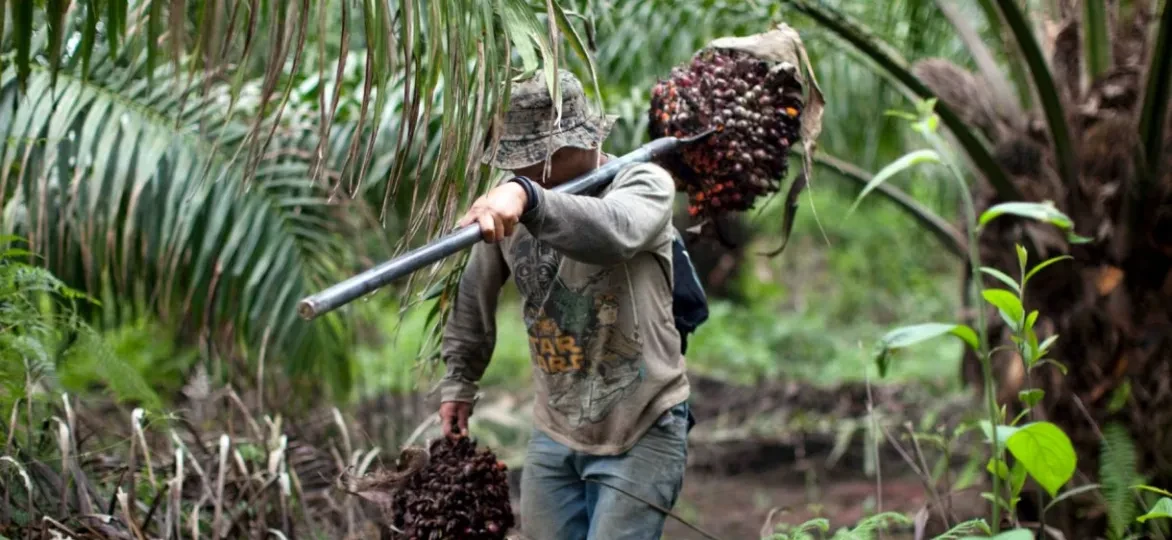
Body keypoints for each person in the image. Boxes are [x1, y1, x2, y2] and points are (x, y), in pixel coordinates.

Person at [434, 69, 706, 540]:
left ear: (580, 142)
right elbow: (473, 293)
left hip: (642, 424)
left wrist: (529, 198)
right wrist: (460, 379)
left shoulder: (643, 183)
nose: (526, 171)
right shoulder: (511, 202)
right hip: (554, 430)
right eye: (518, 163)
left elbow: (614, 232)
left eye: (538, 158)